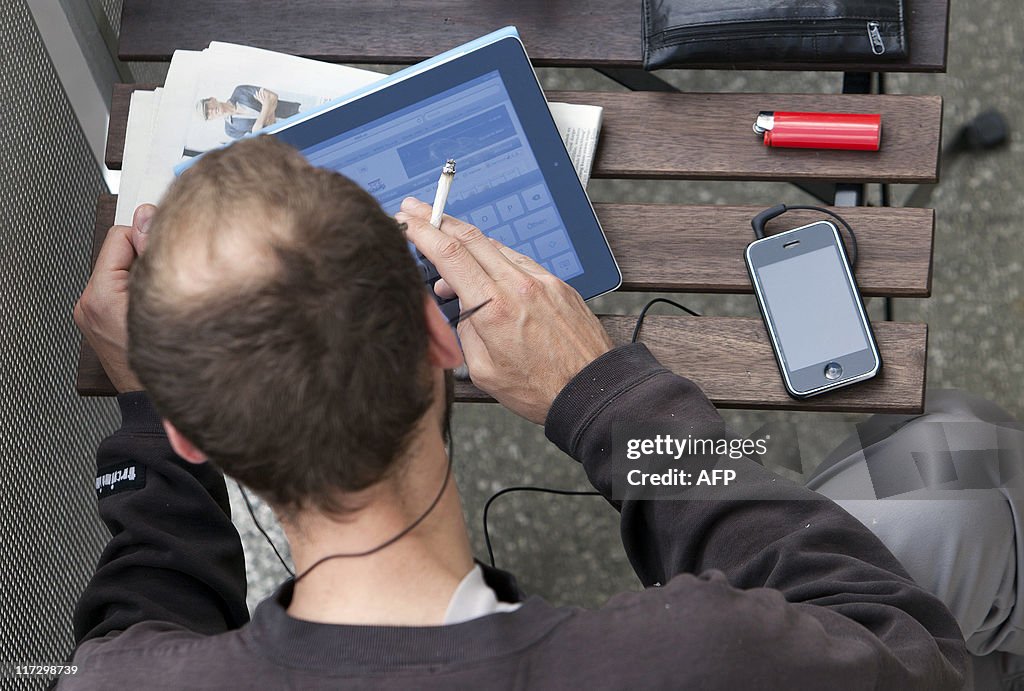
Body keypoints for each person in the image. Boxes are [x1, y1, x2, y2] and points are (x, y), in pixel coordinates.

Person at [66, 136, 968, 689]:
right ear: (440, 335)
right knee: (964, 484)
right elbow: (910, 642)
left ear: (189, 436)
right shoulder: (705, 657)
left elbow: (136, 636)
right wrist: (607, 396)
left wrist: (145, 415)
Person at [196, 85, 300, 139]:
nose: (211, 110)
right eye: (208, 114)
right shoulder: (230, 130)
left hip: (295, 111)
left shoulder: (240, 92)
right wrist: (266, 105)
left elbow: (273, 96)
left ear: (212, 99)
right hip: (287, 132)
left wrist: (259, 123)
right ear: (211, 119)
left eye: (207, 106)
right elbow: (263, 137)